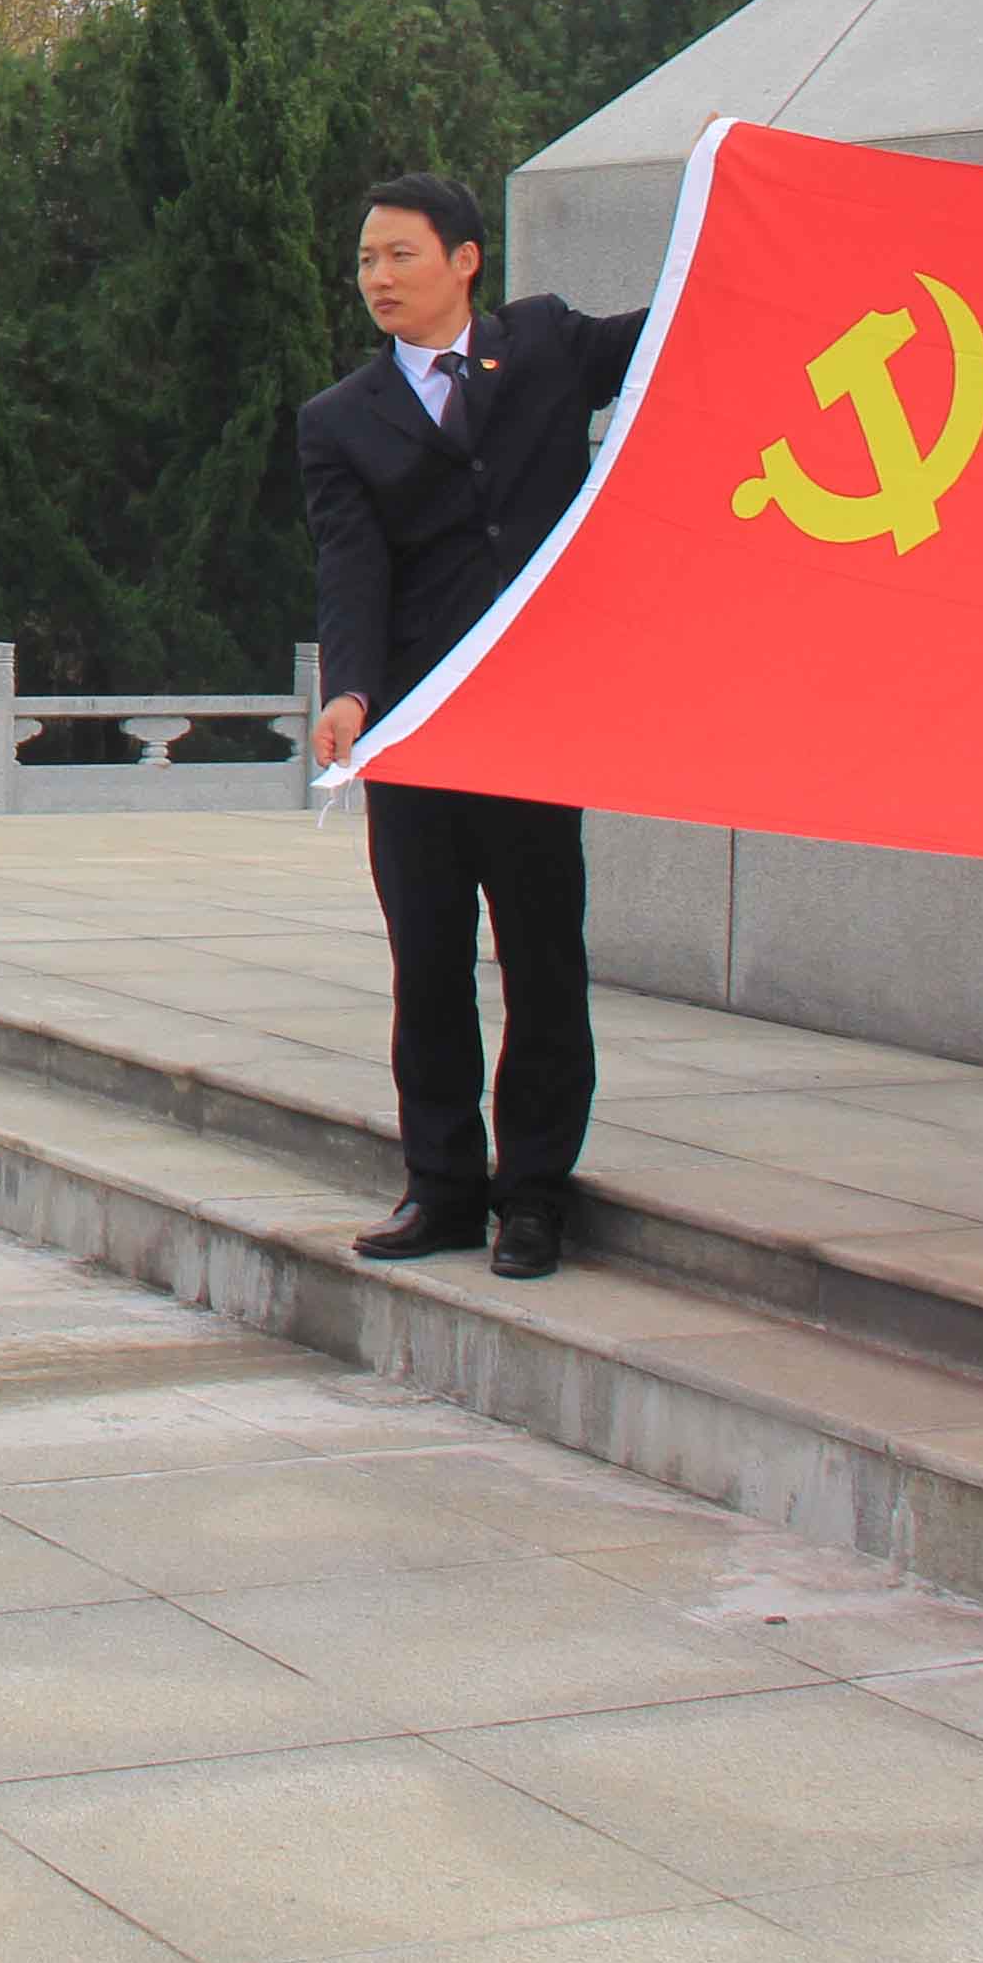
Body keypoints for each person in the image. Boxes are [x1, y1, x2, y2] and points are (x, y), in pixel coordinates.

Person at [297, 172, 647, 1284]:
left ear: (464, 260)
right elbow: (352, 568)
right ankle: (441, 1187)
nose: (378, 279)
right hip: (420, 727)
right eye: (365, 262)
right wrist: (350, 690)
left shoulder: (542, 347)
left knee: (545, 961)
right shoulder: (339, 421)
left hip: (537, 717)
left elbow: (674, 332)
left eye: (400, 256)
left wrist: (732, 216)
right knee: (429, 964)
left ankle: (534, 1196)